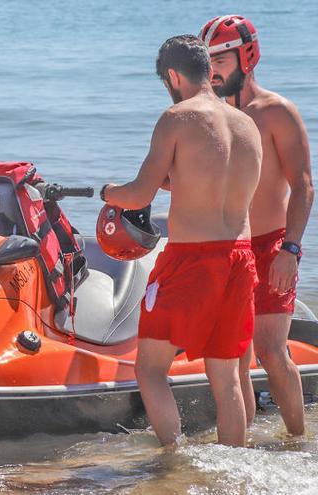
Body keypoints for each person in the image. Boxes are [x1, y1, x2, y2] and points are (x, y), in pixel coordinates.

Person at [101, 35, 262, 447]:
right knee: (225, 376)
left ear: (173, 76)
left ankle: (172, 463)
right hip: (241, 257)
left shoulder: (177, 117)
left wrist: (108, 192)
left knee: (150, 370)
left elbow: (138, 195)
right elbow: (224, 187)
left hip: (193, 260)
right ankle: (234, 468)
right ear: (209, 70)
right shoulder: (247, 124)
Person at [200, 15, 314, 436]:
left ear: (247, 55)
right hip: (228, 247)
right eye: (206, 60)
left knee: (269, 349)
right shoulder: (209, 116)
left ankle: (297, 442)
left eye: (221, 58)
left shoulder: (276, 111)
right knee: (234, 355)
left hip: (272, 245)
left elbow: (303, 185)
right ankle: (240, 448)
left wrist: (292, 249)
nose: (212, 69)